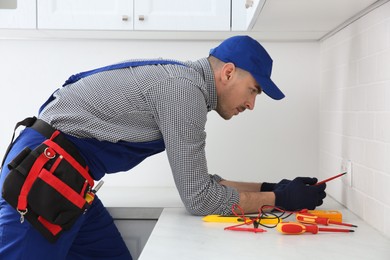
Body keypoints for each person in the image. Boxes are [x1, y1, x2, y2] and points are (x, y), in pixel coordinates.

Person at [0, 35, 326, 259]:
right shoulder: (183, 92)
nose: (252, 104)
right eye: (253, 90)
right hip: (47, 175)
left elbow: (203, 182)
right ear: (228, 73)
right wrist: (278, 200)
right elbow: (199, 199)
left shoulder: (184, 84)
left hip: (68, 175)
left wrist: (271, 188)